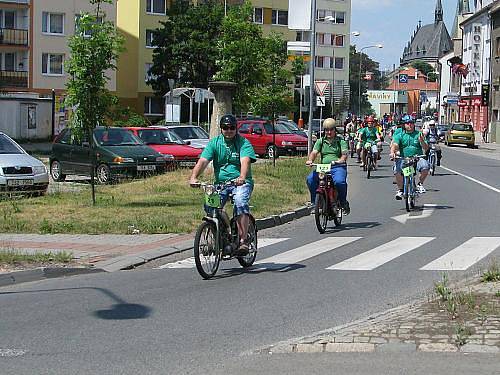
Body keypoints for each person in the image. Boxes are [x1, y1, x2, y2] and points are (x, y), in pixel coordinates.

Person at [189, 114, 257, 255]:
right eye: (225, 128)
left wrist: (242, 177)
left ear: (236, 128)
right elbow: (203, 161)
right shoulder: (215, 143)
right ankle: (223, 233)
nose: (229, 130)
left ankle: (243, 241)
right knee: (210, 206)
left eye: (232, 128)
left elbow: (245, 161)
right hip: (221, 184)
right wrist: (194, 177)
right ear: (221, 128)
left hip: (241, 183)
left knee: (239, 201)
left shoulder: (243, 143)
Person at [306, 118, 350, 215]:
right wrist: (310, 160)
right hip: (323, 167)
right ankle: (315, 203)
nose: (329, 132)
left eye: (331, 130)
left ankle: (343, 202)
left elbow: (344, 154)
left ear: (335, 130)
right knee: (310, 179)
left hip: (337, 167)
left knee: (339, 181)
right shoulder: (320, 141)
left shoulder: (340, 141)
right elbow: (314, 152)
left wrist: (341, 160)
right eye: (326, 130)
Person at [390, 115, 430, 200]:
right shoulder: (400, 134)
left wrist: (422, 141)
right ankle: (401, 190)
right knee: (397, 170)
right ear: (404, 124)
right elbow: (395, 145)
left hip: (417, 157)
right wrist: (392, 152)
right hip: (404, 158)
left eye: (411, 123)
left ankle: (419, 184)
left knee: (425, 167)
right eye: (407, 123)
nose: (410, 125)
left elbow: (426, 148)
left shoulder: (419, 134)